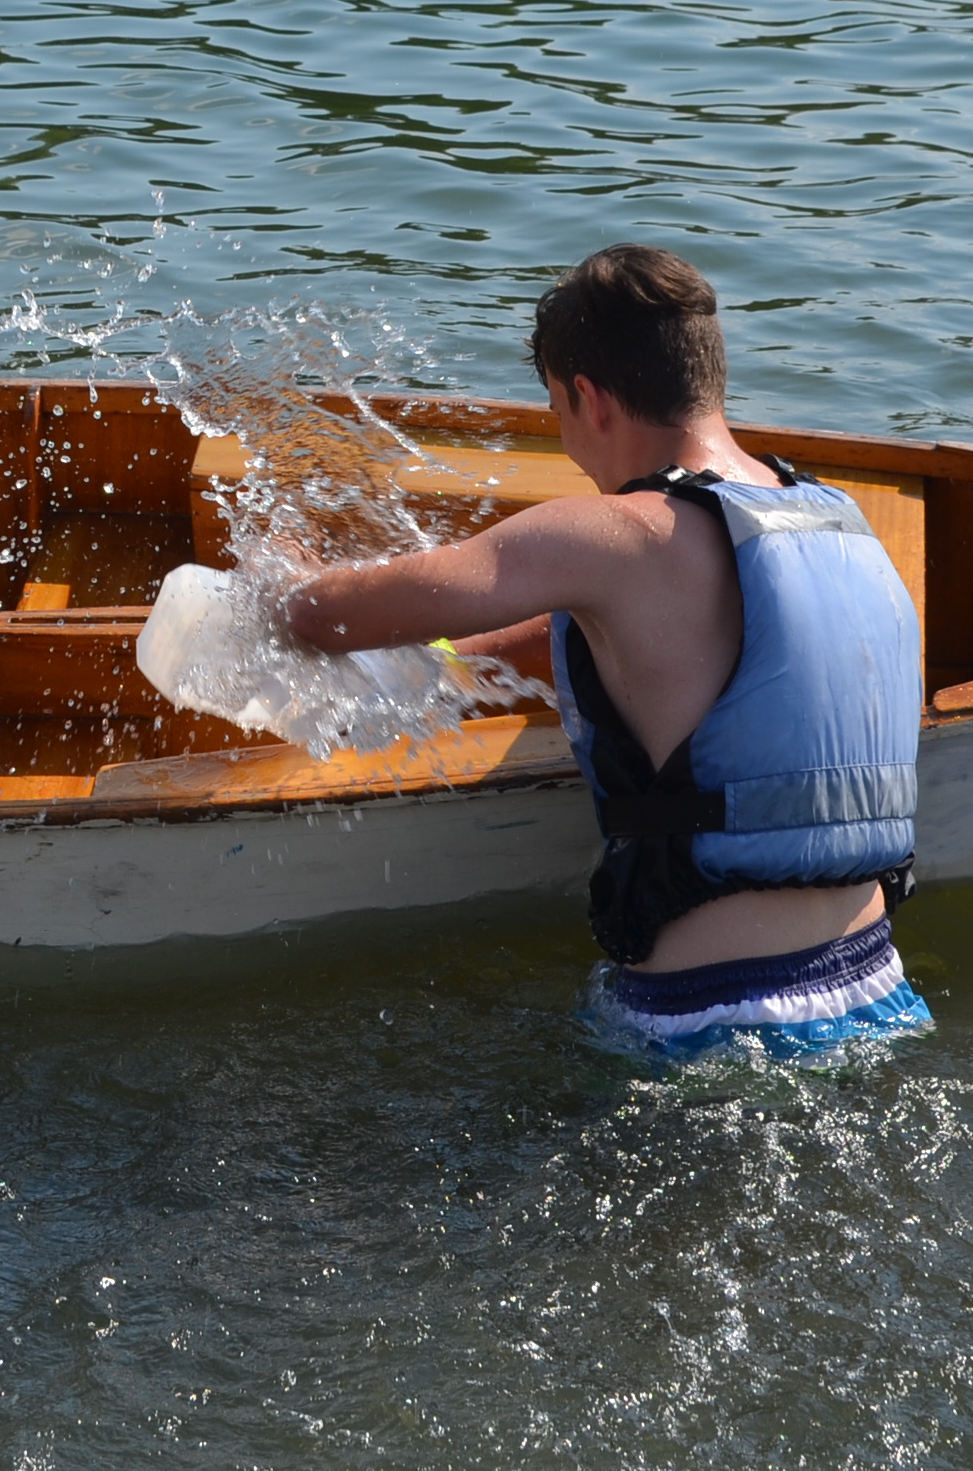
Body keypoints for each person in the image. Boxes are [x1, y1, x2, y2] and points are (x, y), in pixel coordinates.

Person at [278, 246, 931, 1061]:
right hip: (878, 990)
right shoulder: (839, 518)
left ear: (588, 397)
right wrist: (442, 666)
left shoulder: (617, 533)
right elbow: (665, 651)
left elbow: (324, 615)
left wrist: (288, 580)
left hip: (713, 1024)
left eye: (557, 411)